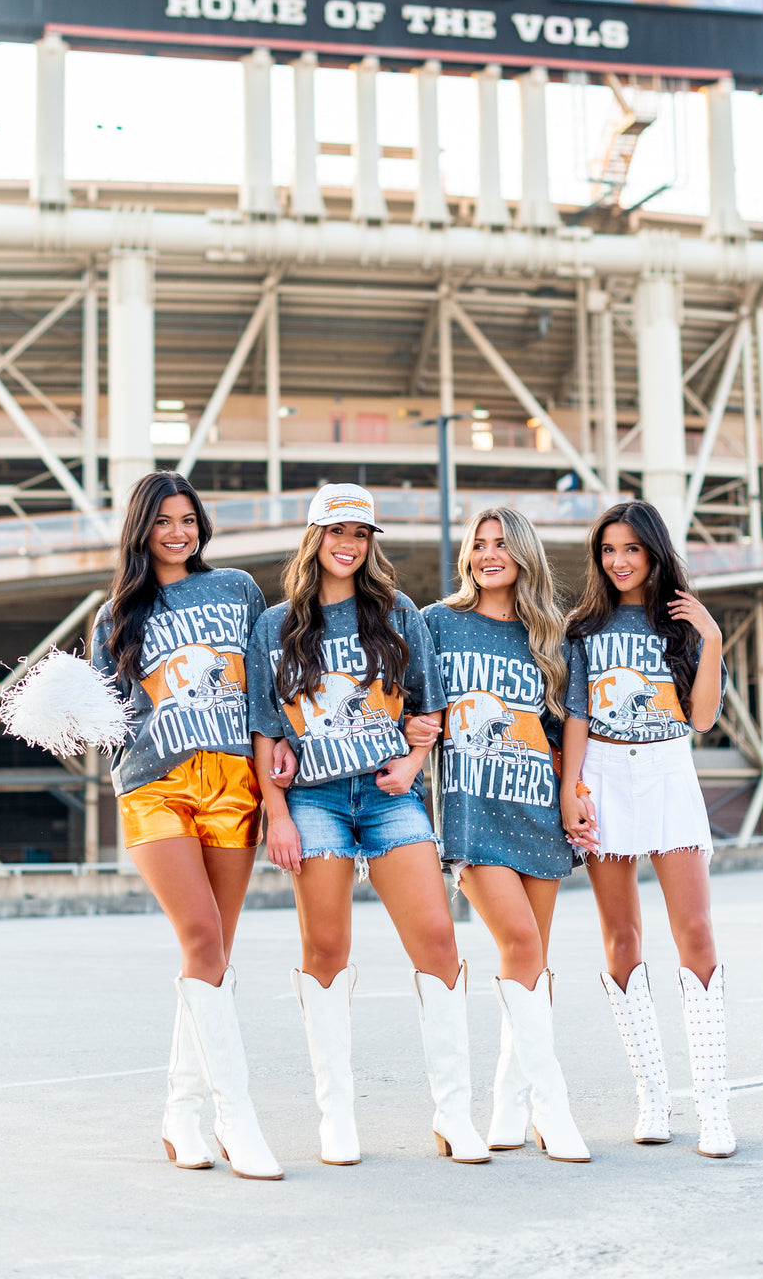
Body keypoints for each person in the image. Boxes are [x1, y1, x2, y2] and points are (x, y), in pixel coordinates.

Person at [247, 483, 489, 1167]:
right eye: (336, 533)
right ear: (314, 538)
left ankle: (453, 1115)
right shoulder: (277, 625)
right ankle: (336, 1118)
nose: (348, 545)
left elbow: (429, 709)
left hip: (388, 797)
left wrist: (413, 765)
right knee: (326, 951)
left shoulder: (397, 613)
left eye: (359, 534)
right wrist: (278, 818)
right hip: (315, 801)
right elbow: (266, 732)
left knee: (439, 941)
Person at [90, 470, 294, 1180]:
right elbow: (107, 714)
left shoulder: (237, 590)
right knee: (201, 937)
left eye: (188, 519)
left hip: (234, 782)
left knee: (210, 956)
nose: (178, 532)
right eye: (163, 521)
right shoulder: (115, 615)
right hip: (154, 785)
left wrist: (274, 787)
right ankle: (237, 1120)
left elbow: (266, 688)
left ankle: (180, 1115)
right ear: (141, 530)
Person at [414, 506, 594, 1164]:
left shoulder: (552, 637)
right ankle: (554, 1109)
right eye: (479, 544)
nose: (489, 554)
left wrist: (573, 797)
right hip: (472, 816)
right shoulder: (438, 623)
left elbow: (561, 733)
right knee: (519, 942)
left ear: (523, 554)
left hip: (538, 814)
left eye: (501, 544)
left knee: (532, 963)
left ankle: (508, 1107)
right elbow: (411, 704)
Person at [559, 499, 735, 1158]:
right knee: (621, 933)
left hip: (667, 771)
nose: (620, 560)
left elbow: (704, 718)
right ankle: (652, 1096)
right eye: (609, 550)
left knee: (694, 930)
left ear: (654, 552)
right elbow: (576, 715)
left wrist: (712, 640)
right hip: (603, 770)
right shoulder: (584, 627)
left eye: (632, 548)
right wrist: (574, 791)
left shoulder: (683, 625)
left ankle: (714, 1106)